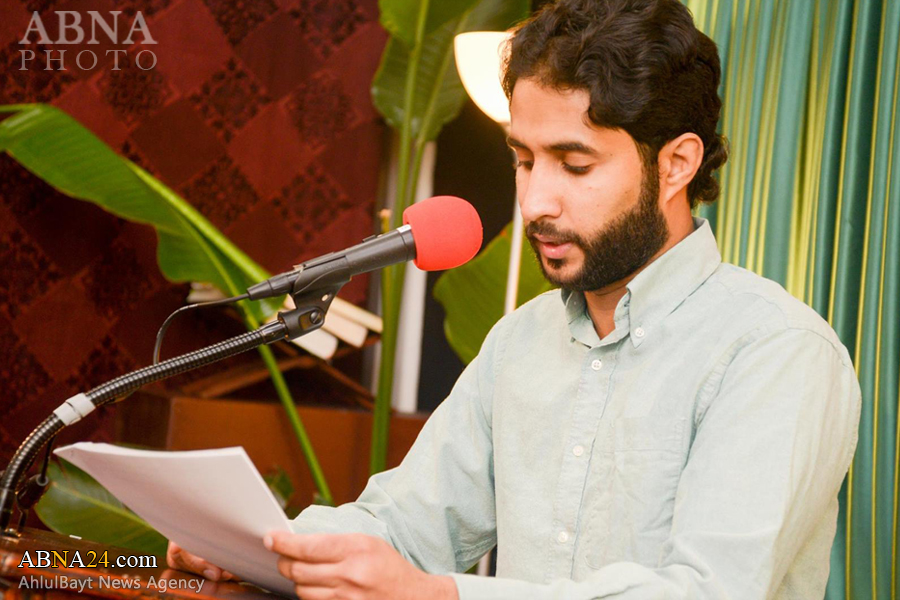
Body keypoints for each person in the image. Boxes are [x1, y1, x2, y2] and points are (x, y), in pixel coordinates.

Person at [168, 0, 861, 598]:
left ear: (677, 163)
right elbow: (404, 527)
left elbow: (704, 591)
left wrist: (438, 596)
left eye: (575, 164)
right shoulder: (520, 342)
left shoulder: (777, 353)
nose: (534, 202)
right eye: (523, 160)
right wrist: (263, 549)